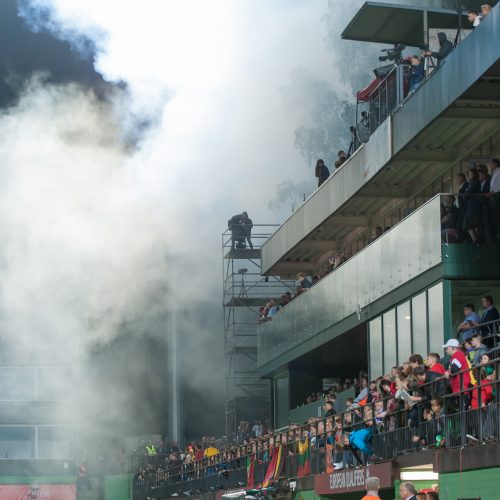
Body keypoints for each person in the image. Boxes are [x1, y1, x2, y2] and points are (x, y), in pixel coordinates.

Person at [462, 167, 482, 244]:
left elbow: (468, 192)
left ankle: (476, 239)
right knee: (470, 224)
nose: (469, 175)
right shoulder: (470, 183)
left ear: (474, 174)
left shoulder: (476, 182)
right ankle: (475, 239)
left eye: (470, 173)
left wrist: (465, 195)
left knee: (472, 223)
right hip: (471, 205)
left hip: (474, 205)